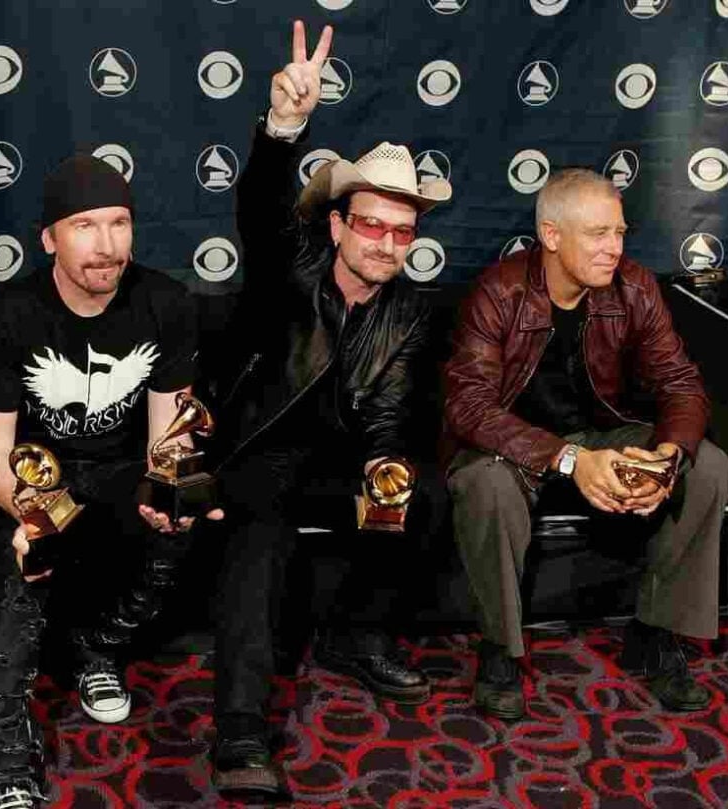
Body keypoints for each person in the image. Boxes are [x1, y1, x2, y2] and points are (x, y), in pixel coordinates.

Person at [207, 20, 452, 800]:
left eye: (402, 231)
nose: (385, 243)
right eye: (371, 224)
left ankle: (357, 633)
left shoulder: (412, 309)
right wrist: (284, 125)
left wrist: (386, 461)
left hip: (344, 450)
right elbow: (260, 206)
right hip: (264, 446)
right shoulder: (295, 259)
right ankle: (241, 729)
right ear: (339, 222)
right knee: (261, 532)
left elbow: (395, 406)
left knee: (426, 492)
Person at [443, 167, 728, 722]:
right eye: (598, 234)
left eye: (620, 232)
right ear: (552, 236)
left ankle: (655, 634)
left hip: (602, 435)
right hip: (514, 448)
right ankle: (500, 650)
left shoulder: (634, 287)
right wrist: (569, 459)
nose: (614, 248)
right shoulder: (498, 292)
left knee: (708, 464)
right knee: (484, 482)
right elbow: (470, 407)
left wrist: (668, 455)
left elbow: (680, 384)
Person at [0, 154, 210, 807]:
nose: (106, 245)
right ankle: (7, 753)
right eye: (84, 226)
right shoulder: (10, 313)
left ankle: (97, 648)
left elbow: (171, 434)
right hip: (38, 474)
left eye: (119, 223)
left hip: (121, 469)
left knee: (191, 512)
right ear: (49, 238)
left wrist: (177, 485)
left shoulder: (167, 302)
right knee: (30, 553)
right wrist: (32, 514)